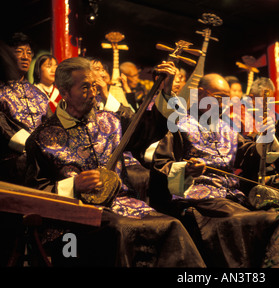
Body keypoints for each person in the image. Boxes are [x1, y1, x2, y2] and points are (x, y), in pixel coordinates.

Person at [24, 57, 205, 267]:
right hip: (74, 220)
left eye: (94, 85)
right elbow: (33, 192)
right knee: (121, 230)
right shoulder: (41, 138)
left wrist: (164, 91)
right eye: (84, 88)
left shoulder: (112, 120)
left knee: (171, 226)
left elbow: (149, 129)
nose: (93, 93)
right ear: (64, 92)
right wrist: (73, 185)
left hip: (124, 204)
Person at [151, 73, 279, 267]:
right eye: (219, 97)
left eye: (226, 99)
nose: (223, 104)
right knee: (253, 220)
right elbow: (161, 164)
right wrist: (187, 169)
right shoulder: (180, 126)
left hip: (231, 198)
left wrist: (266, 138)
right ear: (200, 94)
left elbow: (247, 154)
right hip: (202, 200)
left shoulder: (226, 129)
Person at [0, 33, 49, 185]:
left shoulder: (39, 94)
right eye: (19, 51)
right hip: (11, 161)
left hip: (42, 158)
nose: (25, 57)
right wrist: (30, 146)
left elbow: (50, 124)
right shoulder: (1, 91)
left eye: (28, 53)